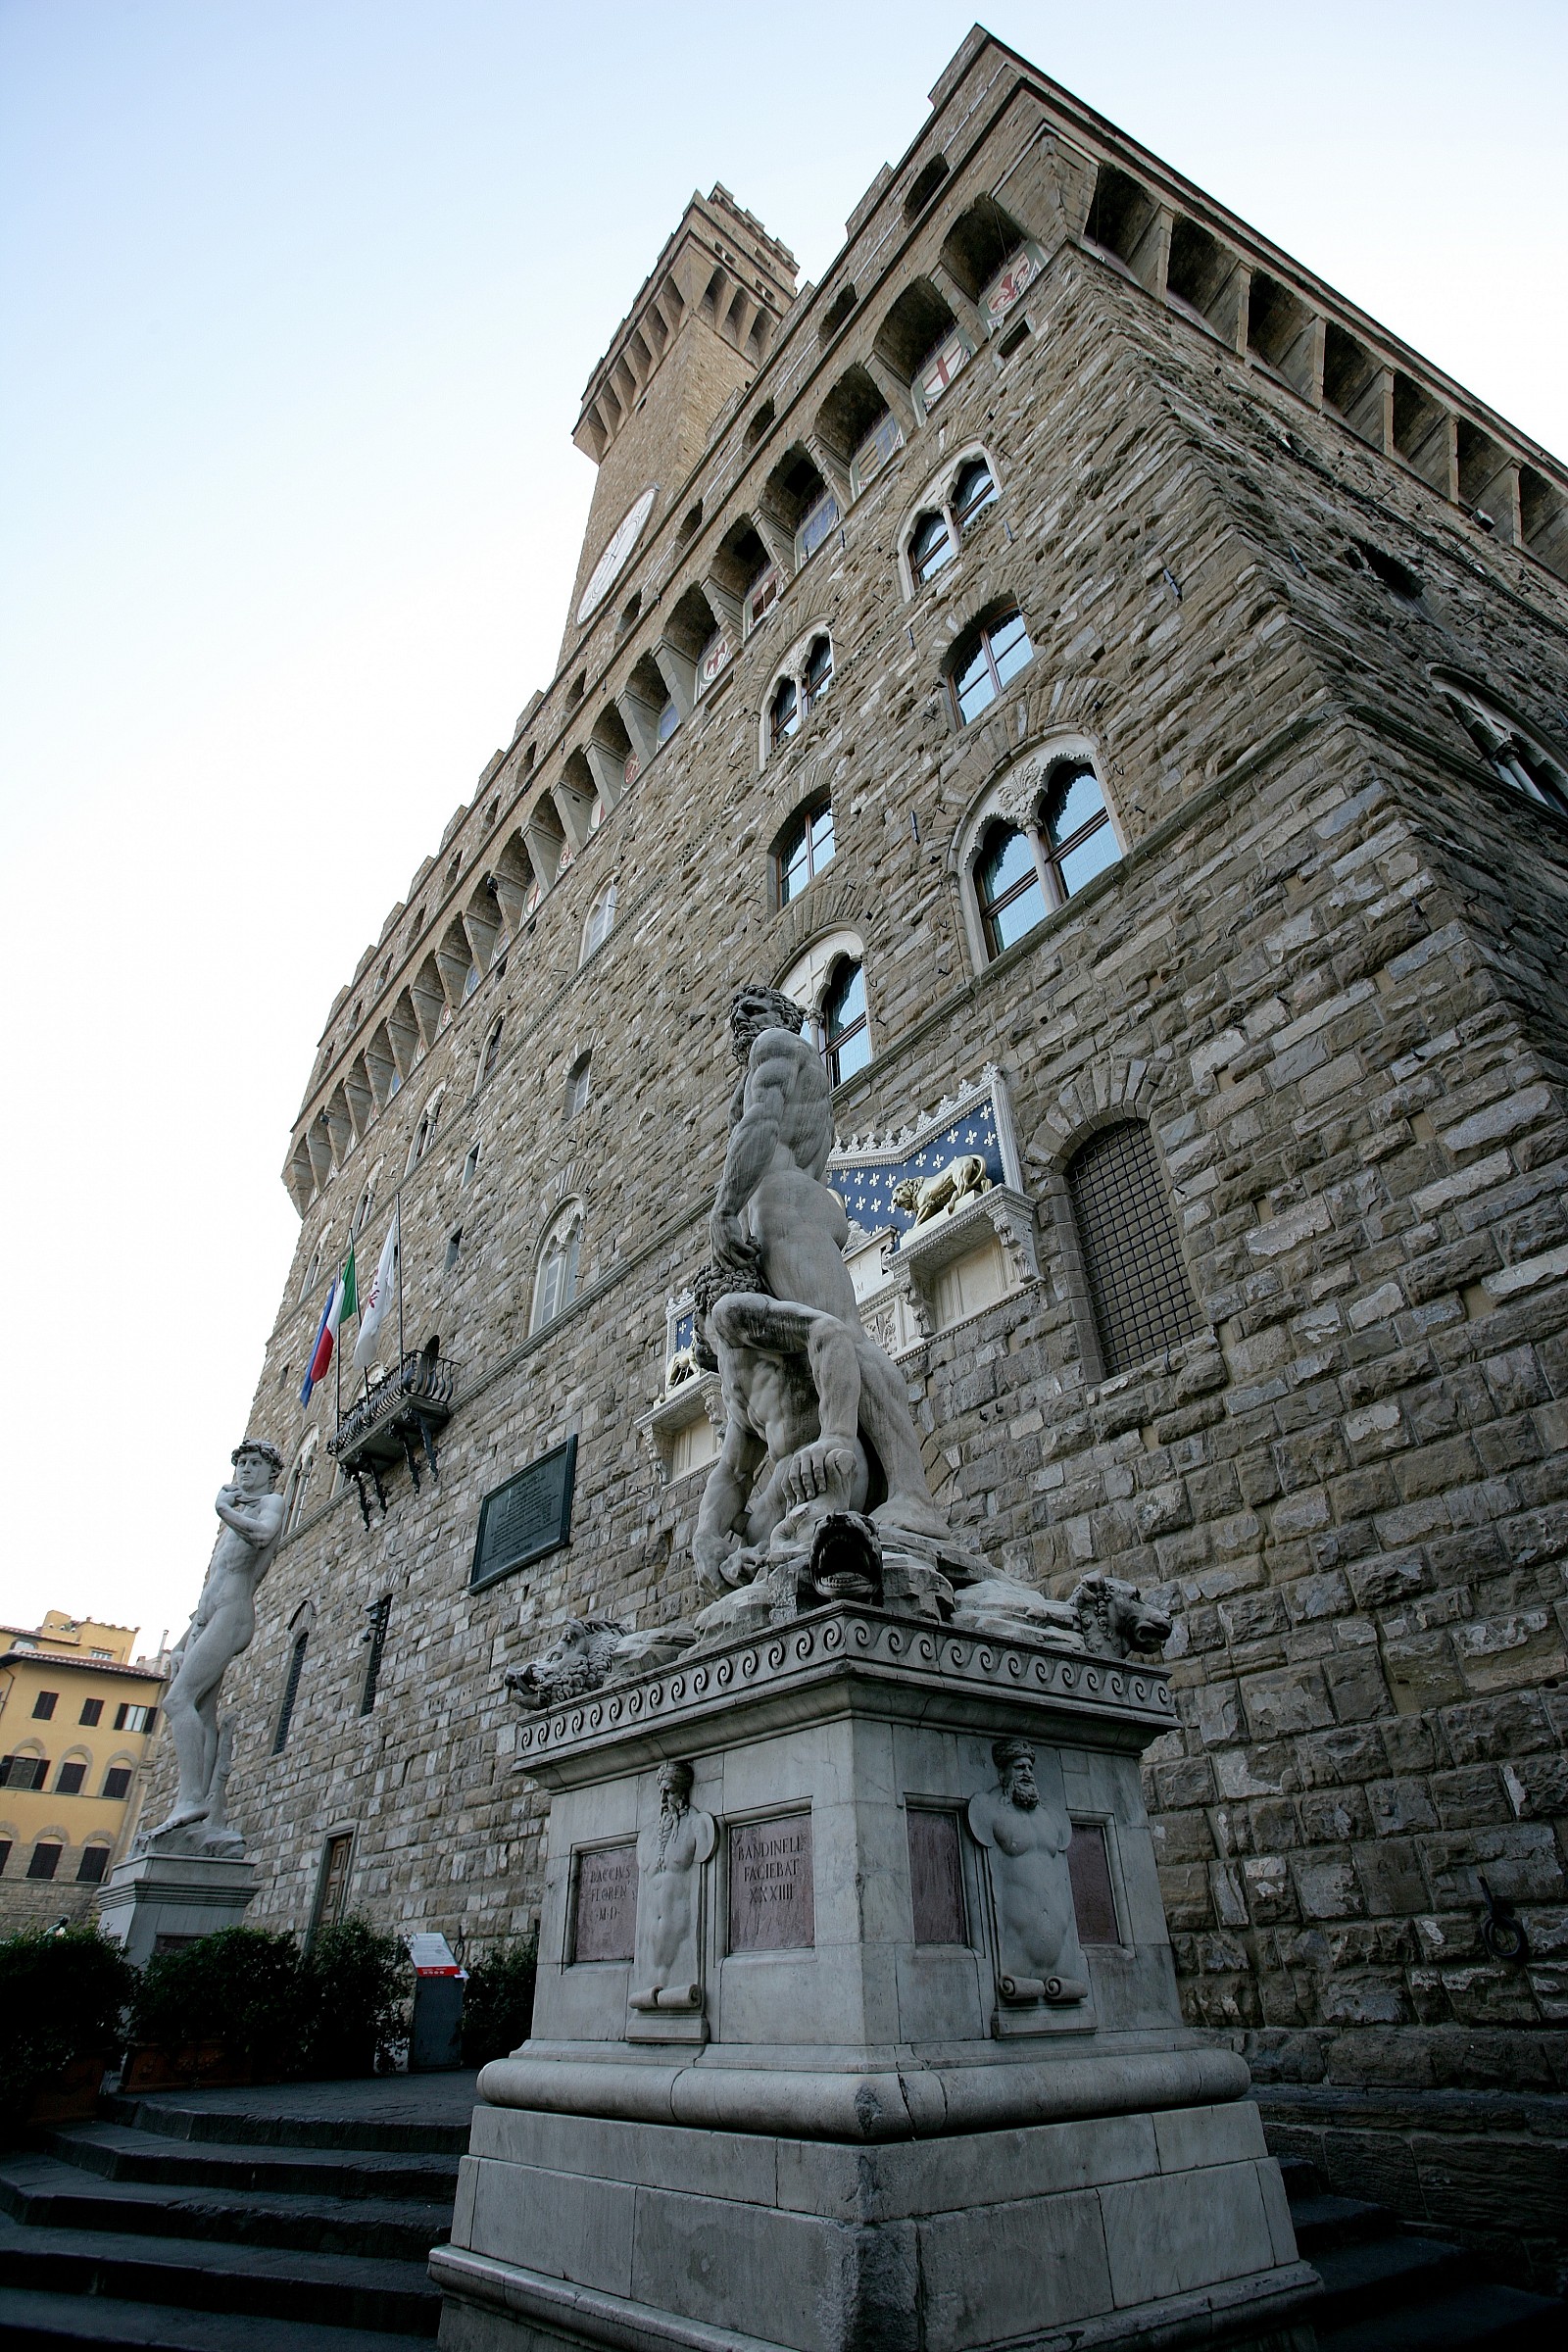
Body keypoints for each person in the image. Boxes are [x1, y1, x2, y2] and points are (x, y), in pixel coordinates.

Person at [707, 986, 953, 1549]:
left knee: (840, 1331)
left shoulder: (778, 1046)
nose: (741, 1020)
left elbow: (762, 1125)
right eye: (736, 1013)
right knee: (818, 1346)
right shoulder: (768, 1063)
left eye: (756, 1008)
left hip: (787, 1207)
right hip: (778, 1209)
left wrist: (723, 1208)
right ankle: (870, 1483)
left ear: (786, 1017)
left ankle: (912, 1492)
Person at [147, 1440, 285, 1841]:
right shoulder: (237, 1515)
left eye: (255, 1463)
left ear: (271, 1471)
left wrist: (224, 1511)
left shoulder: (270, 1504)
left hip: (234, 1614)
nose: (245, 1470)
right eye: (241, 1463)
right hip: (211, 1618)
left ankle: (191, 1799)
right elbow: (210, 1590)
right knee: (202, 1715)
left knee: (177, 1700)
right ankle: (200, 1807)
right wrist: (182, 1642)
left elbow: (263, 1536)